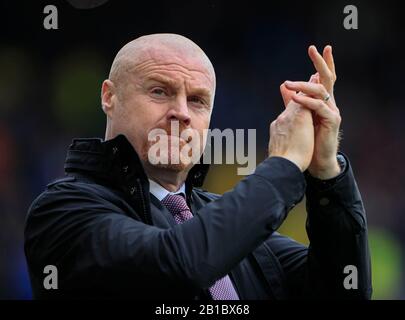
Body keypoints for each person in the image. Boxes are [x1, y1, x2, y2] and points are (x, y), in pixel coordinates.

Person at [24, 33, 372, 299]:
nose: (182, 113)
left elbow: (344, 288)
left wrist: (326, 171)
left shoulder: (227, 226)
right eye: (160, 91)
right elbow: (179, 267)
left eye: (197, 100)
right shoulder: (63, 211)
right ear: (109, 97)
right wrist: (282, 165)